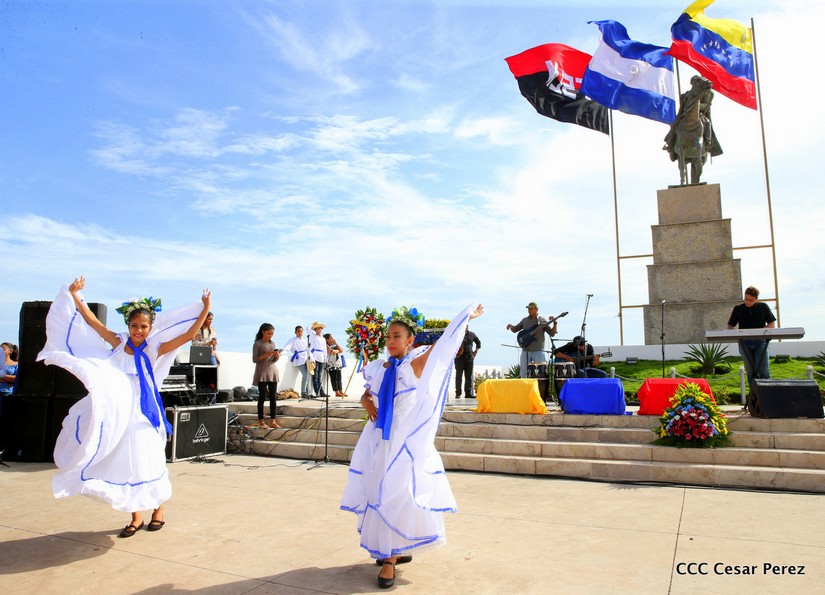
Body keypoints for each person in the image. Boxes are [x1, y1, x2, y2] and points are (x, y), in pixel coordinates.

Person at [38, 276, 211, 538]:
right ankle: (135, 516)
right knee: (126, 461)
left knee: (149, 457)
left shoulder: (154, 349)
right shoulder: (119, 342)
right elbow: (94, 323)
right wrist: (76, 296)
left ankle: (158, 508)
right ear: (128, 325)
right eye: (134, 325)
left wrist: (205, 308)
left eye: (143, 326)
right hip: (120, 410)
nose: (138, 330)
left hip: (145, 411)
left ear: (150, 327)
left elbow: (187, 335)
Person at [341, 303, 484, 589]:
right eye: (388, 337)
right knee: (378, 490)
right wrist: (366, 401)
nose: (391, 341)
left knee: (398, 492)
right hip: (378, 438)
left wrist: (464, 319)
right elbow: (367, 394)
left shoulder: (413, 365)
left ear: (410, 340)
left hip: (402, 439)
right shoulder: (379, 367)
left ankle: (390, 559)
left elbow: (442, 347)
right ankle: (391, 548)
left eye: (397, 336)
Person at [727, 286, 776, 387]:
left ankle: (766, 395)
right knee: (750, 372)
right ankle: (754, 395)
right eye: (746, 299)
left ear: (756, 299)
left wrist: (760, 332)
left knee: (764, 371)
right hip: (744, 343)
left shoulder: (763, 307)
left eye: (751, 300)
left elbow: (771, 324)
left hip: (760, 342)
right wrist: (735, 333)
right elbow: (730, 326)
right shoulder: (738, 309)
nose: (748, 302)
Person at [506, 302, 557, 378]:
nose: (529, 310)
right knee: (523, 373)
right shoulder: (525, 320)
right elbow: (515, 329)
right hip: (525, 350)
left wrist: (555, 323)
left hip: (538, 350)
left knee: (540, 374)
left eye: (531, 308)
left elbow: (552, 333)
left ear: (536, 309)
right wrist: (511, 326)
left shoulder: (542, 320)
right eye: (528, 308)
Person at [252, 323, 281, 429]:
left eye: (272, 334)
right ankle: (261, 421)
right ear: (263, 332)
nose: (270, 336)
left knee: (273, 397)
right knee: (262, 397)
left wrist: (277, 356)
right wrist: (266, 354)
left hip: (273, 372)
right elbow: (255, 359)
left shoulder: (272, 343)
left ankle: (273, 420)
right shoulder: (257, 344)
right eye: (268, 333)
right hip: (262, 373)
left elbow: (273, 360)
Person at [282, 326, 312, 398]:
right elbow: (286, 348)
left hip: (305, 358)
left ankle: (308, 392)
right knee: (305, 375)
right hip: (298, 359)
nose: (300, 333)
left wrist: (312, 359)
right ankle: (303, 392)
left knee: (308, 375)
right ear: (295, 332)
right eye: (298, 331)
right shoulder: (292, 340)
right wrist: (280, 353)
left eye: (301, 331)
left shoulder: (305, 341)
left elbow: (308, 350)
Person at [454, 327, 481, 398]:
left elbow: (478, 343)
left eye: (466, 326)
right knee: (458, 376)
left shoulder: (472, 334)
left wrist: (476, 351)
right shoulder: (457, 334)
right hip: (459, 358)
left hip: (469, 358)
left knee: (468, 377)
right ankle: (458, 393)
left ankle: (468, 393)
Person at [309, 322, 328, 397]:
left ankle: (321, 391)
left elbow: (325, 349)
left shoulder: (323, 339)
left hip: (321, 357)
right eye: (317, 329)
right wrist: (312, 324)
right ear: (315, 330)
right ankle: (317, 391)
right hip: (315, 356)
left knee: (319, 375)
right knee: (315, 375)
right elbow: (307, 329)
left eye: (320, 329)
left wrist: (325, 359)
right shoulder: (313, 336)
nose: (318, 330)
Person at [324, 332, 346, 397]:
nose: (332, 339)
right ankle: (336, 392)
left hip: (337, 363)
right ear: (327, 339)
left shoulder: (334, 345)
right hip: (331, 364)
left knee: (339, 377)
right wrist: (337, 351)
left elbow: (341, 350)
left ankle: (340, 390)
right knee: (334, 378)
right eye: (331, 338)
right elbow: (331, 352)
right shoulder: (326, 345)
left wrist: (336, 344)